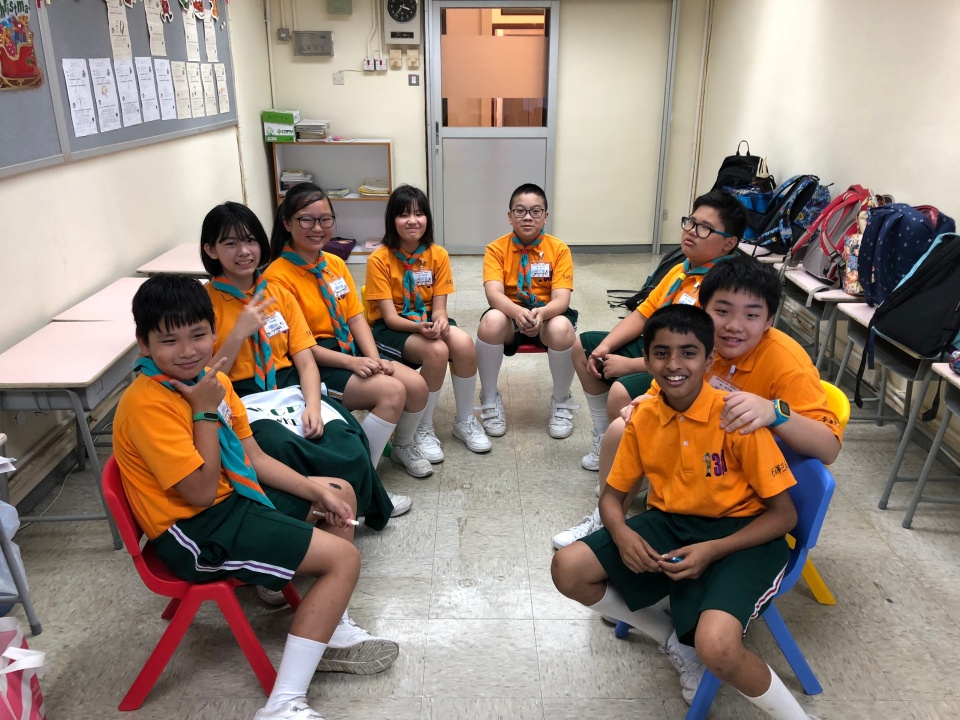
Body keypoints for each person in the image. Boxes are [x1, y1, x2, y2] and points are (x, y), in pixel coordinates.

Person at [113, 275, 399, 720]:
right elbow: (201, 493)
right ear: (143, 344)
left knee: (338, 493)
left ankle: (329, 628)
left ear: (214, 331)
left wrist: (316, 491)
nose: (187, 350)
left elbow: (256, 459)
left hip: (229, 502)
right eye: (169, 341)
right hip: (193, 532)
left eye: (198, 335)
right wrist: (204, 412)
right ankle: (283, 704)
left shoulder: (211, 383)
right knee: (344, 560)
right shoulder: (152, 403)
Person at [551, 305, 821, 720]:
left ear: (710, 360)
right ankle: (672, 638)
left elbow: (783, 517)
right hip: (674, 523)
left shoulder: (735, 418)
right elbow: (611, 498)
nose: (674, 364)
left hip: (746, 535)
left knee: (718, 648)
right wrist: (622, 533)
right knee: (568, 568)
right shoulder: (643, 417)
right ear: (646, 360)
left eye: (689, 353)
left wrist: (713, 550)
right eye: (661, 353)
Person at [552, 255, 842, 549]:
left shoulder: (788, 363)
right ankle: (609, 522)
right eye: (722, 311)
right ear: (703, 308)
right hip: (698, 443)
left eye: (751, 315)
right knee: (623, 426)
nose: (734, 326)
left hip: (744, 471)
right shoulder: (698, 341)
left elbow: (829, 448)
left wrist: (774, 412)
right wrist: (647, 403)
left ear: (769, 320)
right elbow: (659, 391)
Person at [199, 201, 411, 542]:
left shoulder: (278, 294)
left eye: (250, 241)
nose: (244, 251)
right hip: (241, 395)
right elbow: (206, 375)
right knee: (282, 445)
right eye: (231, 243)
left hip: (289, 386)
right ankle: (322, 511)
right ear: (211, 250)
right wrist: (239, 332)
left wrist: (313, 404)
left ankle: (355, 504)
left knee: (345, 437)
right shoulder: (203, 303)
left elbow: (305, 360)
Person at [264, 183, 434, 479]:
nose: (318, 228)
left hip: (350, 349)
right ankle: (360, 477)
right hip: (314, 363)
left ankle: (403, 445)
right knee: (392, 392)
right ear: (287, 223)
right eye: (307, 220)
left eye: (325, 219)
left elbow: (355, 319)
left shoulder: (334, 263)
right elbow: (299, 347)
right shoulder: (276, 278)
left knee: (417, 386)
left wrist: (374, 359)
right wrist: (353, 363)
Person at [573, 190, 746, 471]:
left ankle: (627, 464)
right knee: (583, 348)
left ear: (729, 243)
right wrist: (606, 347)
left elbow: (695, 354)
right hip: (657, 349)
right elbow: (644, 314)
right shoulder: (682, 270)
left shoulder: (723, 287)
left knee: (620, 392)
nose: (691, 231)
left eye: (704, 228)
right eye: (690, 222)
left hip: (687, 368)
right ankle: (605, 439)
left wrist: (629, 365)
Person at [365, 185, 491, 460]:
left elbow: (440, 308)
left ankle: (464, 420)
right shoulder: (379, 259)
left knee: (463, 343)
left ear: (427, 219)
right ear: (392, 220)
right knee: (436, 351)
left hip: (427, 320)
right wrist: (419, 328)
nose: (412, 221)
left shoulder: (437, 254)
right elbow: (389, 318)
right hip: (393, 328)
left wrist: (441, 322)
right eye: (404, 215)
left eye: (419, 214)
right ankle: (422, 427)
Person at [475, 182, 579, 438]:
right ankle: (489, 397)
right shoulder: (496, 249)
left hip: (547, 314)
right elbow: (493, 294)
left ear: (546, 216)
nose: (528, 217)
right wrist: (516, 313)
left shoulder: (559, 249)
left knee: (562, 327)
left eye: (535, 211)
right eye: (520, 211)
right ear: (510, 216)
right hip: (510, 313)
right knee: (491, 321)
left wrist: (541, 314)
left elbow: (561, 299)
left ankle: (561, 400)